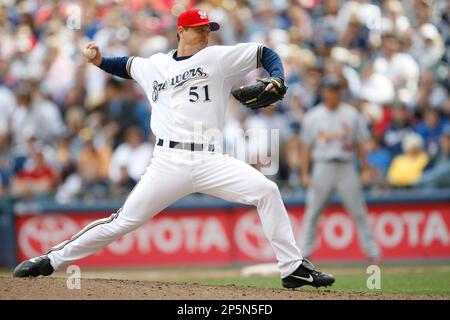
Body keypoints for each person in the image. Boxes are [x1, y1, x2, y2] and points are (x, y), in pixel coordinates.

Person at [13, 9, 334, 289]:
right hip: (168, 161)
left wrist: (277, 78)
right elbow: (125, 65)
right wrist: (99, 61)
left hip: (211, 158)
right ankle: (51, 260)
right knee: (122, 221)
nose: (207, 33)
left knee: (266, 190)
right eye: (200, 28)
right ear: (181, 30)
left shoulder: (217, 57)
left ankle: (292, 269)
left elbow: (265, 53)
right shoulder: (155, 65)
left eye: (209, 29)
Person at [300, 75, 381, 263]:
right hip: (322, 166)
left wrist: (365, 167)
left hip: (346, 166)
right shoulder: (314, 116)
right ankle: (303, 254)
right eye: (330, 90)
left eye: (336, 90)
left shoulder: (351, 114)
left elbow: (360, 143)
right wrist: (305, 173)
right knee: (313, 212)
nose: (333, 93)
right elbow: (305, 147)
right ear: (324, 92)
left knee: (359, 211)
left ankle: (372, 252)